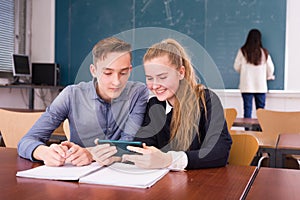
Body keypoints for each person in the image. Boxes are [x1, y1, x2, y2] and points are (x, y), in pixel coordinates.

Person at [18, 37, 149, 167]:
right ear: (93, 71)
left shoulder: (138, 93)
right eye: (108, 73)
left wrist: (90, 153)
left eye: (123, 73)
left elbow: (128, 143)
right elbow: (26, 141)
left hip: (119, 173)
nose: (116, 81)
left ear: (130, 70)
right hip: (77, 172)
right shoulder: (71, 95)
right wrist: (44, 152)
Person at [121, 39, 232, 170]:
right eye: (150, 78)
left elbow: (219, 152)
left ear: (181, 73)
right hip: (165, 183)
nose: (155, 85)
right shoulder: (154, 106)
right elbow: (143, 145)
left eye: (162, 77)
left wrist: (169, 160)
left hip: (203, 183)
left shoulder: (207, 100)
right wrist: (120, 155)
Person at [234, 29, 275, 118]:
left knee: (247, 110)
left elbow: (236, 66)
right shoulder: (264, 52)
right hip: (261, 86)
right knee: (261, 112)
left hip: (246, 86)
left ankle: (248, 131)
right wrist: (269, 76)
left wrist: (244, 71)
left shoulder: (242, 51)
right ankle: (260, 131)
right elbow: (270, 68)